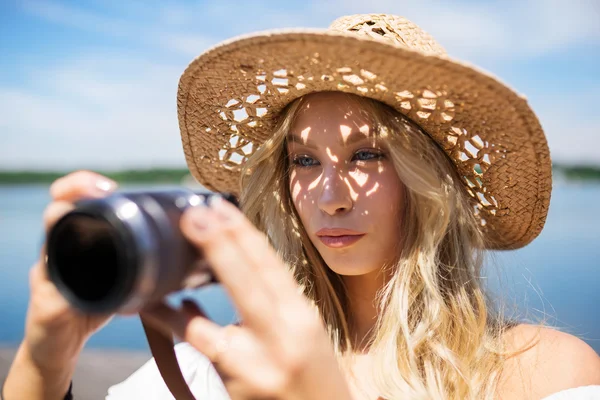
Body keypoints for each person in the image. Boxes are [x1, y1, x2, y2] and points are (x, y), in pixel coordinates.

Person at [3, 13, 600, 400]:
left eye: (367, 155)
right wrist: (46, 358)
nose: (331, 197)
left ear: (430, 180)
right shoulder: (224, 366)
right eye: (304, 161)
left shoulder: (540, 375)